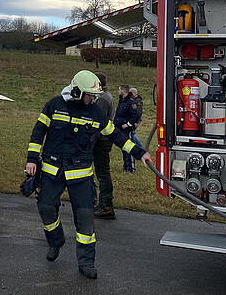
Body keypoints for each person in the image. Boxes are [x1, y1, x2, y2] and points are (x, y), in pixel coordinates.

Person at [25, 70, 152, 279]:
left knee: (85, 220)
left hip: (81, 175)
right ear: (76, 91)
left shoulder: (95, 113)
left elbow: (116, 136)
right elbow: (38, 132)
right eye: (90, 95)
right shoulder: (54, 105)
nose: (93, 99)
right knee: (46, 209)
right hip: (52, 171)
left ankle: (86, 262)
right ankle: (56, 241)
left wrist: (140, 153)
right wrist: (31, 159)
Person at [91, 72, 117, 220]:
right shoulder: (107, 96)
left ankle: (106, 205)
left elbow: (97, 123)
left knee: (102, 174)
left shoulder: (101, 99)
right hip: (104, 139)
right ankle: (104, 204)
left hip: (102, 140)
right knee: (103, 173)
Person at [114, 84, 141, 173]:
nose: (118, 92)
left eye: (119, 90)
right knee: (123, 148)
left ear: (123, 91)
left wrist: (128, 124)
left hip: (126, 129)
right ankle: (126, 166)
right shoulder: (122, 100)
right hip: (119, 128)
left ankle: (131, 168)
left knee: (129, 148)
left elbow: (136, 114)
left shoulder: (131, 101)